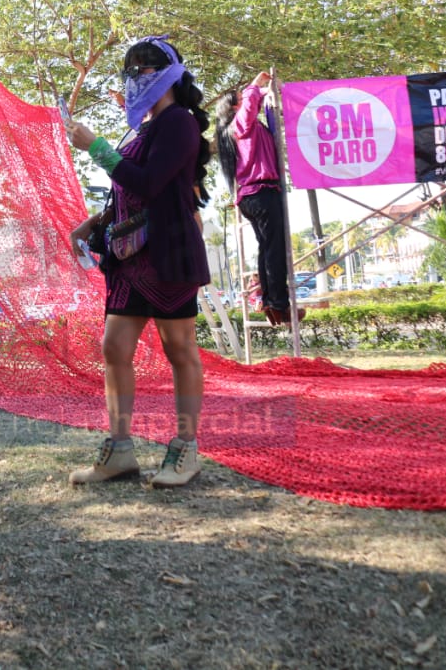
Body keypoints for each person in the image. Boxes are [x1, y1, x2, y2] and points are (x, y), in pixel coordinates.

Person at [65, 35, 212, 488]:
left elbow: (149, 183)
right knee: (114, 349)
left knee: (180, 350)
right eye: (131, 71)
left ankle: (186, 450)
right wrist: (95, 221)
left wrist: (96, 147)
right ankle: (119, 452)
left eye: (145, 70)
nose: (135, 78)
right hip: (129, 260)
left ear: (167, 75)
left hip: (168, 254)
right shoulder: (147, 129)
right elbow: (131, 191)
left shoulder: (180, 123)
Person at [214, 72, 304, 326]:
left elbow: (262, 100)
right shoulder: (239, 126)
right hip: (260, 193)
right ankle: (279, 304)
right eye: (241, 99)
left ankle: (270, 302)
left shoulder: (242, 128)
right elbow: (251, 104)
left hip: (253, 196)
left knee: (267, 248)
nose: (248, 100)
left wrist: (271, 88)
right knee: (274, 249)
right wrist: (254, 85)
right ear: (234, 107)